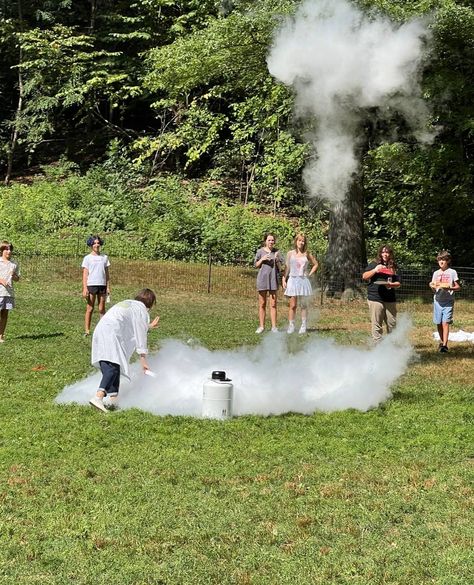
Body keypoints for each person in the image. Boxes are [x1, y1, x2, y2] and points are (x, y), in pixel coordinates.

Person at [89, 288, 160, 412]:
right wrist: (143, 360)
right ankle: (98, 397)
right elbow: (140, 335)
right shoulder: (141, 310)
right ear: (150, 303)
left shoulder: (129, 304)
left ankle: (114, 401)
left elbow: (132, 324)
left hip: (101, 329)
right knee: (112, 365)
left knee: (112, 365)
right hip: (112, 333)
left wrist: (148, 326)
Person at [362, 244, 401, 343]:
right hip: (375, 298)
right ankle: (377, 348)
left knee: (392, 324)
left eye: (387, 252)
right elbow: (365, 276)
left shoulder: (393, 266)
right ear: (380, 253)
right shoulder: (374, 264)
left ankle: (392, 347)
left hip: (390, 299)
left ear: (390, 254)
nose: (385, 254)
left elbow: (398, 283)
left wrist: (391, 285)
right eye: (383, 252)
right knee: (377, 325)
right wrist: (375, 270)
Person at [282, 233, 318, 334]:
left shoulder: (307, 253)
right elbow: (287, 268)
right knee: (292, 305)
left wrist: (309, 274)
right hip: (293, 280)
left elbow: (316, 264)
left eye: (303, 241)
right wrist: (284, 279)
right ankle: (291, 325)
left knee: (303, 304)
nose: (301, 242)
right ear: (296, 241)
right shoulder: (290, 253)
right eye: (299, 240)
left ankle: (303, 325)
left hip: (303, 280)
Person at [429, 250, 461, 353]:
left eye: (443, 260)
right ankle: (442, 342)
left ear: (448, 261)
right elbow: (434, 288)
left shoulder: (452, 272)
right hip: (437, 301)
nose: (441, 262)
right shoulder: (436, 273)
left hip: (448, 301)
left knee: (445, 322)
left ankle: (445, 345)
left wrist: (450, 288)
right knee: (438, 323)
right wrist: (432, 286)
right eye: (439, 260)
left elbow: (458, 287)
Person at [254, 233, 283, 333]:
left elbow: (281, 268)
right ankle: (261, 326)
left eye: (272, 240)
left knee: (273, 304)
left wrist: (277, 260)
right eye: (269, 240)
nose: (271, 242)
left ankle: (274, 327)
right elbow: (256, 265)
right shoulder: (260, 251)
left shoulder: (277, 252)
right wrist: (262, 259)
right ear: (265, 241)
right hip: (262, 279)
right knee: (262, 303)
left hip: (273, 280)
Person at [82, 235, 110, 336]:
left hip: (102, 285)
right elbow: (85, 274)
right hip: (91, 285)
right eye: (94, 243)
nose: (96, 245)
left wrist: (108, 287)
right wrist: (85, 288)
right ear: (91, 245)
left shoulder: (104, 258)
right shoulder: (87, 258)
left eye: (98, 243)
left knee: (102, 309)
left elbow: (107, 274)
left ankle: (103, 330)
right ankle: (87, 331)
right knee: (90, 308)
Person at [0, 241, 20, 343]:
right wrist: (1, 280)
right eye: (7, 249)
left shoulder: (14, 264)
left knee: (4, 314)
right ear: (2, 250)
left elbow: (17, 279)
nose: (9, 251)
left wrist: (14, 275)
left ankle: (1, 335)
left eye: (10, 249)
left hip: (8, 293)